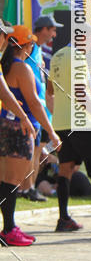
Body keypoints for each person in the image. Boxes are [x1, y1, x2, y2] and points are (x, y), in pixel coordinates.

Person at [47, 43, 91, 232]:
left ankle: (63, 218)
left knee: (66, 168)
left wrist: (56, 113)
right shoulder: (78, 57)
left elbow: (50, 90)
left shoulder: (57, 55)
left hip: (61, 121)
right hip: (80, 119)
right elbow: (81, 93)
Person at [0, 25, 60, 246]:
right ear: (26, 45)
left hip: (7, 125)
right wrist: (51, 132)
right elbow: (34, 103)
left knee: (7, 180)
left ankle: (9, 227)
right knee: (12, 182)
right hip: (20, 128)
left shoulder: (5, 67)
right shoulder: (21, 69)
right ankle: (8, 230)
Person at [20, 14, 61, 201]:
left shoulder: (37, 50)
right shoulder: (28, 49)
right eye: (53, 29)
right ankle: (24, 188)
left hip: (41, 108)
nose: (54, 34)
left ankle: (30, 188)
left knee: (38, 151)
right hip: (30, 108)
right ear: (44, 29)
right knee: (30, 152)